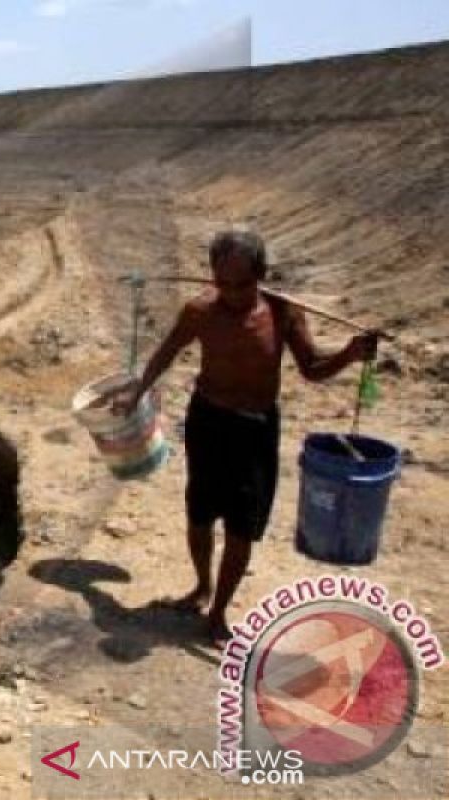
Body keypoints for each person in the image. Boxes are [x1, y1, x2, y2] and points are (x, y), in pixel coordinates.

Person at [114, 229, 378, 647]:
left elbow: (311, 368)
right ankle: (201, 585)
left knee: (242, 525)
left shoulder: (282, 312)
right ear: (212, 276)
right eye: (223, 283)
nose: (232, 294)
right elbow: (165, 352)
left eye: (242, 284)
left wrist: (348, 353)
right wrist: (138, 390)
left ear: (261, 276)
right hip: (208, 421)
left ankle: (218, 611)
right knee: (199, 513)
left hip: (255, 430)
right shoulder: (199, 311)